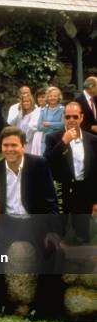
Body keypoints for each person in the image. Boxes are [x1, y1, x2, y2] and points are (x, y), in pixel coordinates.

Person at [0, 126, 63, 320]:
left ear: (23, 146)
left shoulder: (39, 164)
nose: (9, 149)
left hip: (33, 220)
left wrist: (53, 231)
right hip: (7, 221)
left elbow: (50, 201)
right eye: (5, 145)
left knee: (52, 251)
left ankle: (43, 307)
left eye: (14, 145)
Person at [44, 102, 97, 244]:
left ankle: (82, 263)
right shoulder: (53, 138)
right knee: (59, 233)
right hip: (62, 191)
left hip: (84, 192)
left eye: (75, 116)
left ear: (81, 117)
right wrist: (64, 142)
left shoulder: (92, 140)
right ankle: (59, 261)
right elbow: (47, 162)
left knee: (83, 233)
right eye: (68, 117)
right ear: (63, 118)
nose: (71, 120)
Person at [35, 86, 64, 155]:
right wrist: (55, 126)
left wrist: (49, 124)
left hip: (58, 140)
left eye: (55, 96)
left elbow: (63, 125)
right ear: (47, 97)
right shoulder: (43, 110)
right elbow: (39, 127)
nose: (52, 98)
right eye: (50, 96)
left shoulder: (63, 109)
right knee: (45, 161)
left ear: (58, 97)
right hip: (45, 141)